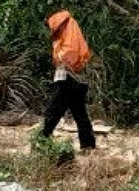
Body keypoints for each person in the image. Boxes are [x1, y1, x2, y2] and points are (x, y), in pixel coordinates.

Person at [41, 9, 97, 150]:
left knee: (52, 111)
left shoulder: (67, 34)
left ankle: (41, 140)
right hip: (77, 78)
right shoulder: (71, 29)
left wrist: (58, 55)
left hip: (67, 78)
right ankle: (88, 145)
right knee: (79, 113)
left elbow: (67, 55)